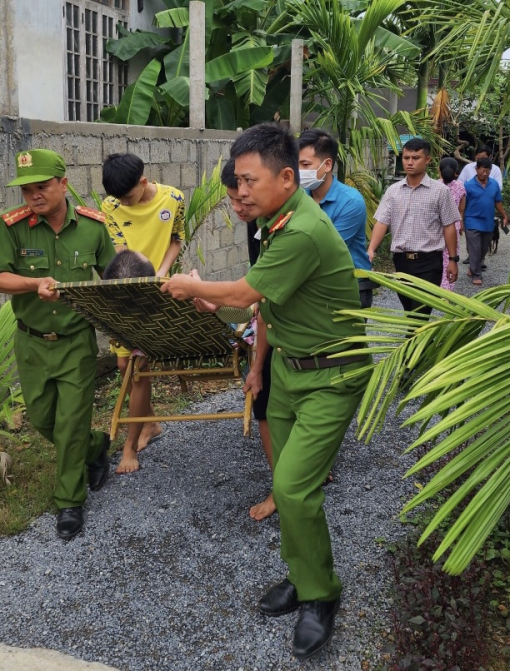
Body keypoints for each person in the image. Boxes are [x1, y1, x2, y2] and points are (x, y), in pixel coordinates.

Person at [161, 123, 369, 660]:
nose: (241, 191)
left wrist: (191, 286)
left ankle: (321, 595)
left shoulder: (301, 231)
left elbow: (244, 290)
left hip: (331, 376)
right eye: (237, 182)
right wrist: (251, 352)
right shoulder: (278, 222)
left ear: (284, 176)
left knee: (295, 489)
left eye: (249, 181)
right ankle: (303, 576)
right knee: (284, 478)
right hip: (292, 370)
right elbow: (265, 305)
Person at [0, 149, 115, 541]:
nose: (34, 195)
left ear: (64, 184)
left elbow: (112, 277)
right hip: (32, 342)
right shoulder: (11, 226)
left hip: (76, 342)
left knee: (71, 421)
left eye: (41, 186)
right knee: (43, 419)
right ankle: (96, 447)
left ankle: (69, 503)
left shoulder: (93, 227)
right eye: (26, 189)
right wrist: (32, 284)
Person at [100, 153, 186, 474]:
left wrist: (160, 273)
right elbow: (119, 248)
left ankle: (129, 444)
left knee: (138, 367)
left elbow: (177, 238)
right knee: (124, 363)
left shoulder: (174, 198)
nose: (123, 202)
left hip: (155, 291)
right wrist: (134, 281)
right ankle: (150, 423)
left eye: (128, 196)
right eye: (118, 198)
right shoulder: (111, 207)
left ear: (144, 183)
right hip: (125, 287)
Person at [219, 158, 276, 522]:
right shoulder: (257, 221)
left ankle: (299, 475)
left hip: (303, 334)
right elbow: (259, 289)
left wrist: (207, 294)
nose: (239, 208)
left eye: (244, 199)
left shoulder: (293, 225)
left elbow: (254, 292)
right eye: (232, 201)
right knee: (264, 402)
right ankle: (281, 484)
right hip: (272, 325)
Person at [367, 138, 460, 316]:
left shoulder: (440, 192)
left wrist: (453, 260)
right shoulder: (393, 191)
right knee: (410, 310)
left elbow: (449, 226)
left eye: (415, 158)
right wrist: (371, 249)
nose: (410, 162)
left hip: (429, 261)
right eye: (406, 157)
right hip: (401, 260)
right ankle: (420, 341)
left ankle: (412, 341)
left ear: (427, 160)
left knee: (419, 312)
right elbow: (382, 222)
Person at [298, 129, 374, 307]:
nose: (299, 171)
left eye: (305, 164)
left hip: (349, 287)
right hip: (312, 286)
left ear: (327, 165)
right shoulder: (299, 196)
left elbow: (325, 251)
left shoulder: (351, 202)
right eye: (296, 164)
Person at [463, 157, 509, 286]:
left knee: (483, 249)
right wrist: (460, 221)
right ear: (477, 169)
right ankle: (476, 274)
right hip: (471, 221)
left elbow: (497, 201)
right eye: (483, 170)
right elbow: (462, 206)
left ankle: (473, 267)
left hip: (488, 222)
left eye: (487, 171)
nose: (485, 173)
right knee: (475, 249)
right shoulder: (468, 186)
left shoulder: (494, 184)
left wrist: (504, 215)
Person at [437, 157, 466, 291]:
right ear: (456, 172)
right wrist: (461, 224)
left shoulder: (435, 185)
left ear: (439, 171)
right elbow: (461, 209)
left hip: (437, 227)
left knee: (437, 256)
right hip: (453, 226)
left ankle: (433, 285)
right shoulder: (460, 186)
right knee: (450, 257)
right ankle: (447, 289)